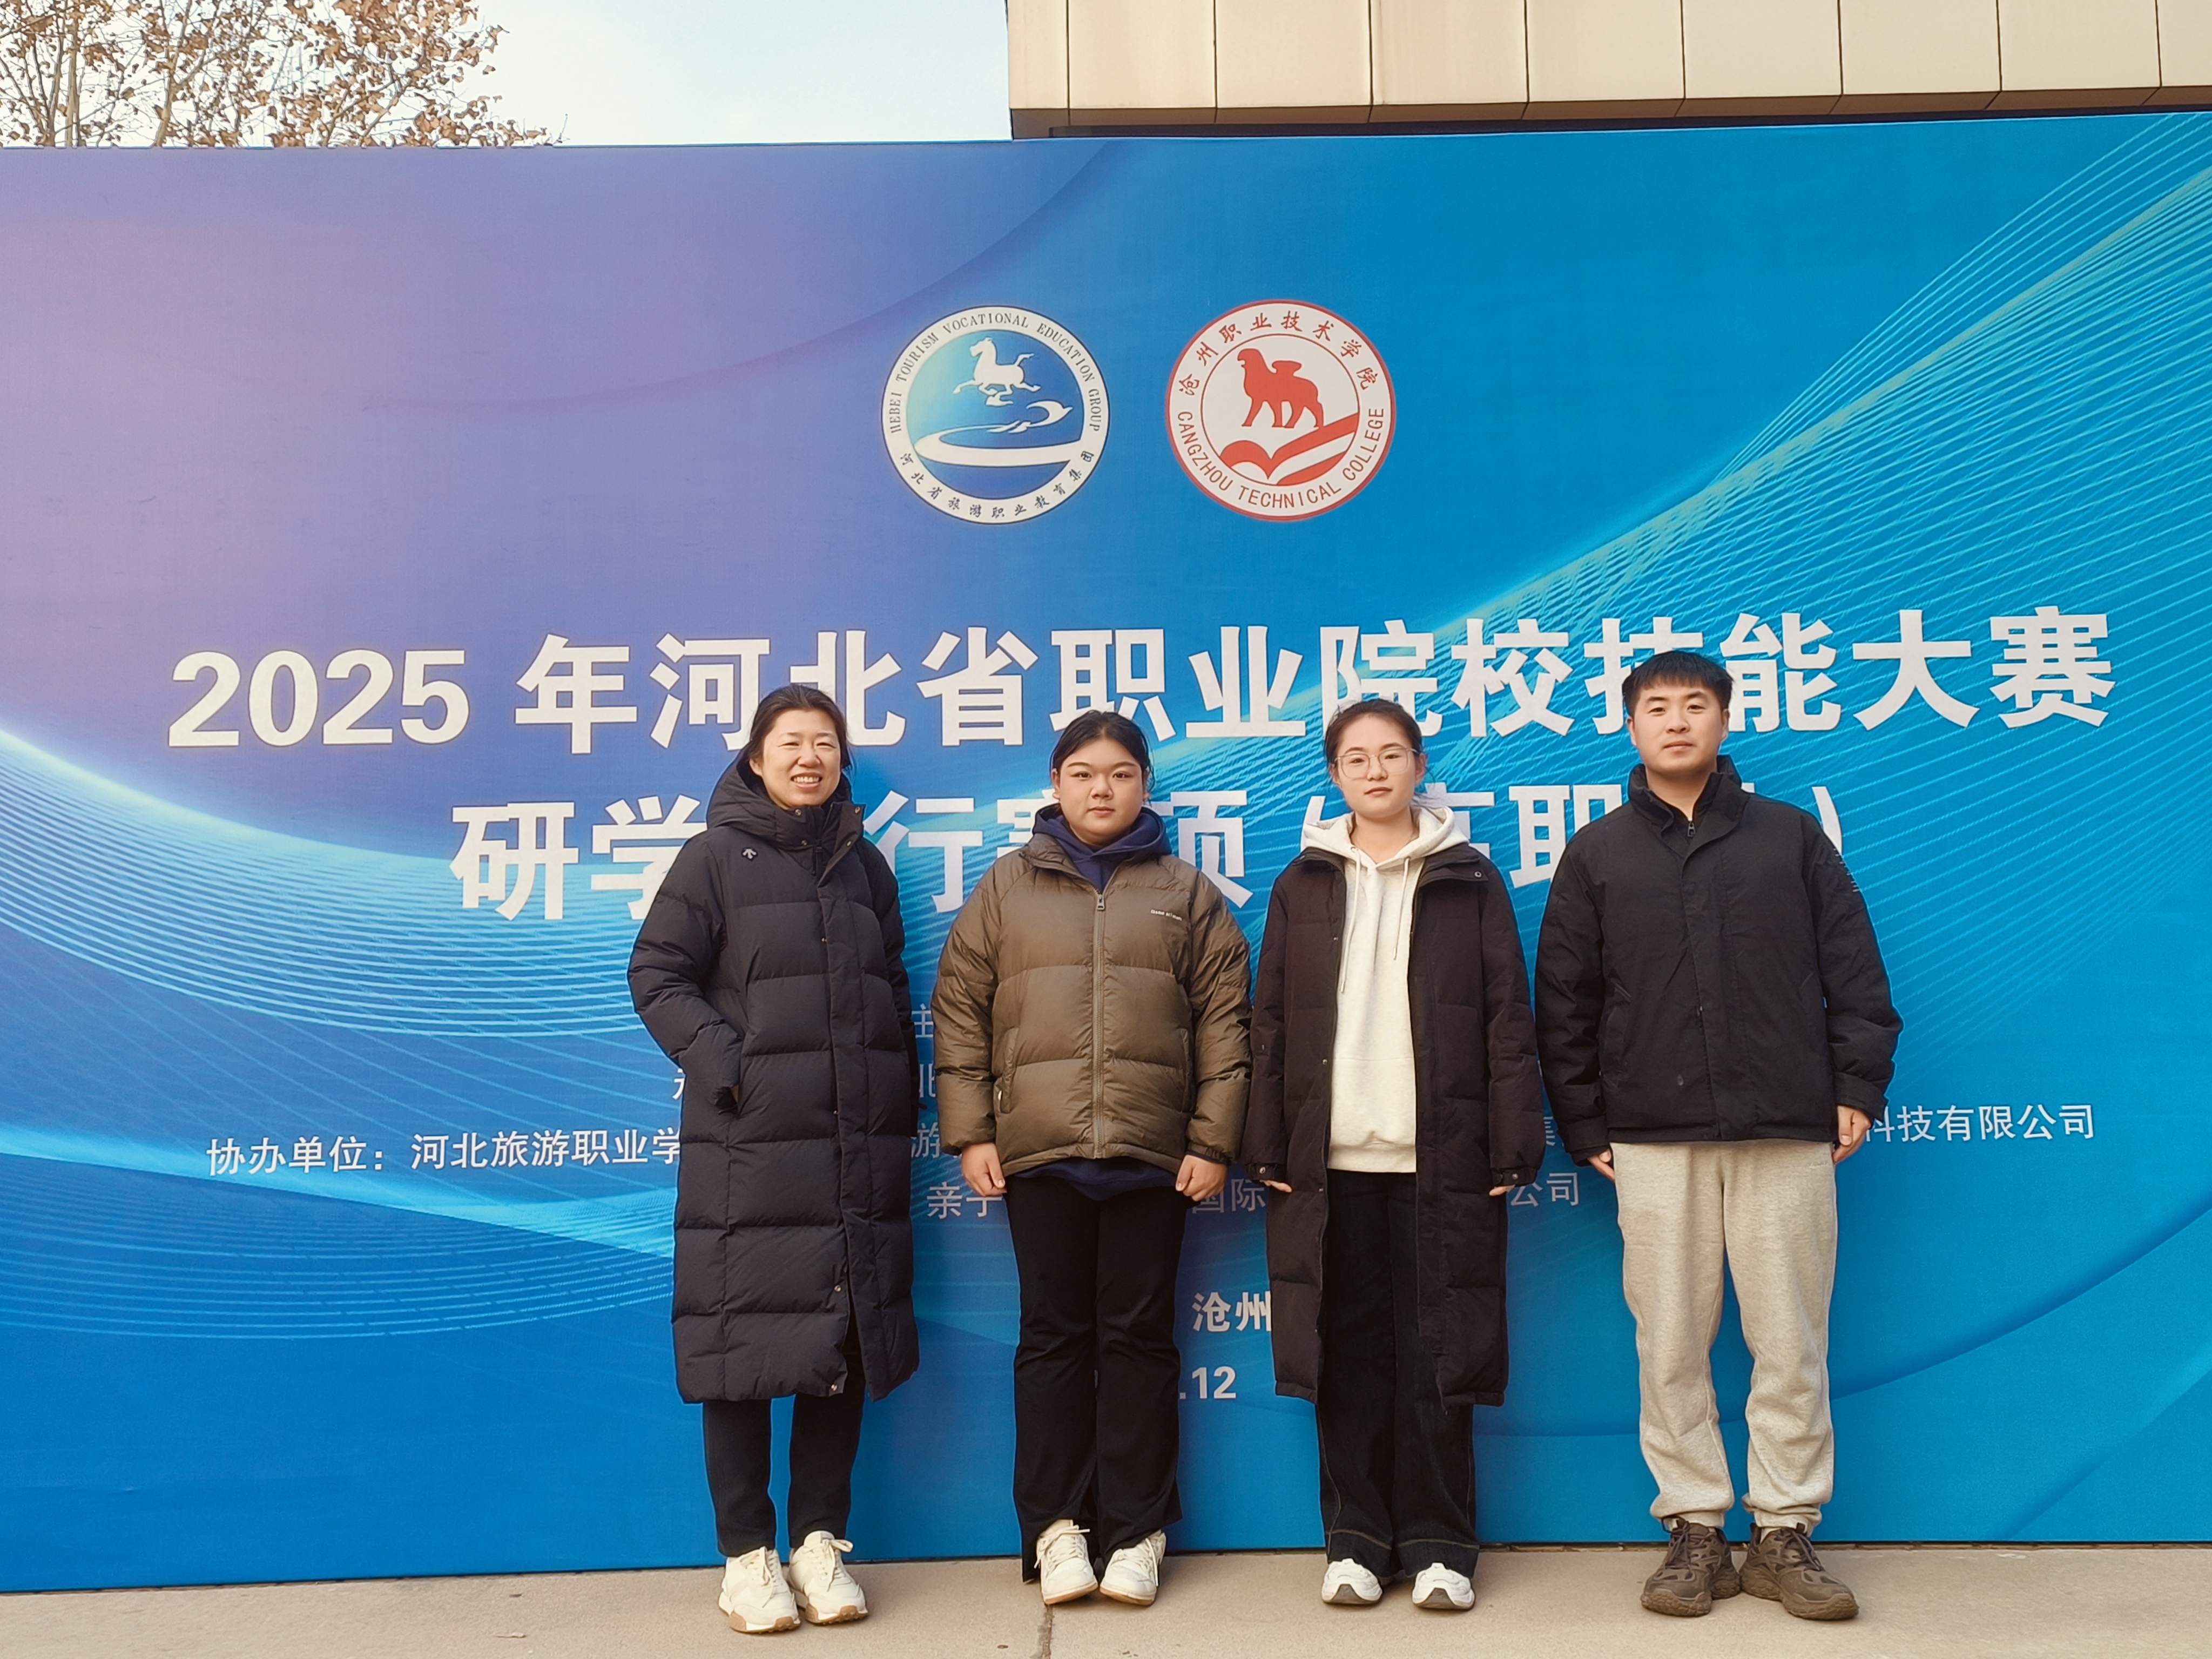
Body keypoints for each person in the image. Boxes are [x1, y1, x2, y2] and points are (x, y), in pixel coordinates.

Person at [1534, 651, 1900, 1623]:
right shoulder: (1597, 853)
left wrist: (1856, 1085)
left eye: (1695, 704)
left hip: (1785, 1126)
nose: (1677, 721)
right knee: (1670, 1341)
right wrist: (1584, 1121)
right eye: (1657, 707)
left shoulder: (1790, 838)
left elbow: (1855, 970)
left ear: (1725, 720)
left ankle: (1785, 1531)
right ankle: (1695, 1527)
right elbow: (1564, 1003)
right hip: (1652, 1138)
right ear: (1631, 727)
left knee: (1790, 1339)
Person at [932, 709, 1251, 1610]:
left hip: (1155, 1159)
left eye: (1119, 773)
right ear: (1056, 785)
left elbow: (1228, 1024)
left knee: (1141, 1343)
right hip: (1040, 1155)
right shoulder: (1007, 887)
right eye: (1083, 773)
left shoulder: (1186, 893)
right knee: (1052, 1341)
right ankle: (1056, 1529)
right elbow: (961, 1010)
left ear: (1145, 785)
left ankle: (1138, 1531)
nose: (1101, 789)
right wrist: (974, 1133)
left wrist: (1211, 1140)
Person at [628, 684, 920, 1636]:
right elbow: (656, 974)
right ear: (756, 759)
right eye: (791, 743)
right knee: (740, 1346)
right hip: (748, 1150)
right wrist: (732, 1067)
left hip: (852, 1147)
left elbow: (891, 986)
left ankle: (820, 1542)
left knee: (843, 1338)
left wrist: (895, 1092)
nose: (810, 758)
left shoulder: (864, 867)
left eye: (826, 744)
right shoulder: (715, 858)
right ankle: (747, 1557)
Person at [1242, 699, 1543, 1614]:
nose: (1375, 772)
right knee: (1346, 1355)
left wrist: (1512, 1140)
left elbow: (1507, 1017)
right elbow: (1271, 1021)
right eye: (1357, 759)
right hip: (1330, 1162)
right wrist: (1267, 1140)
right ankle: (1356, 1542)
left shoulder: (1468, 879)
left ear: (1419, 765)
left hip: (1440, 1159)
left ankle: (1444, 1545)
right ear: (1335, 774)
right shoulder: (1304, 882)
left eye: (1391, 755)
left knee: (1440, 1355)